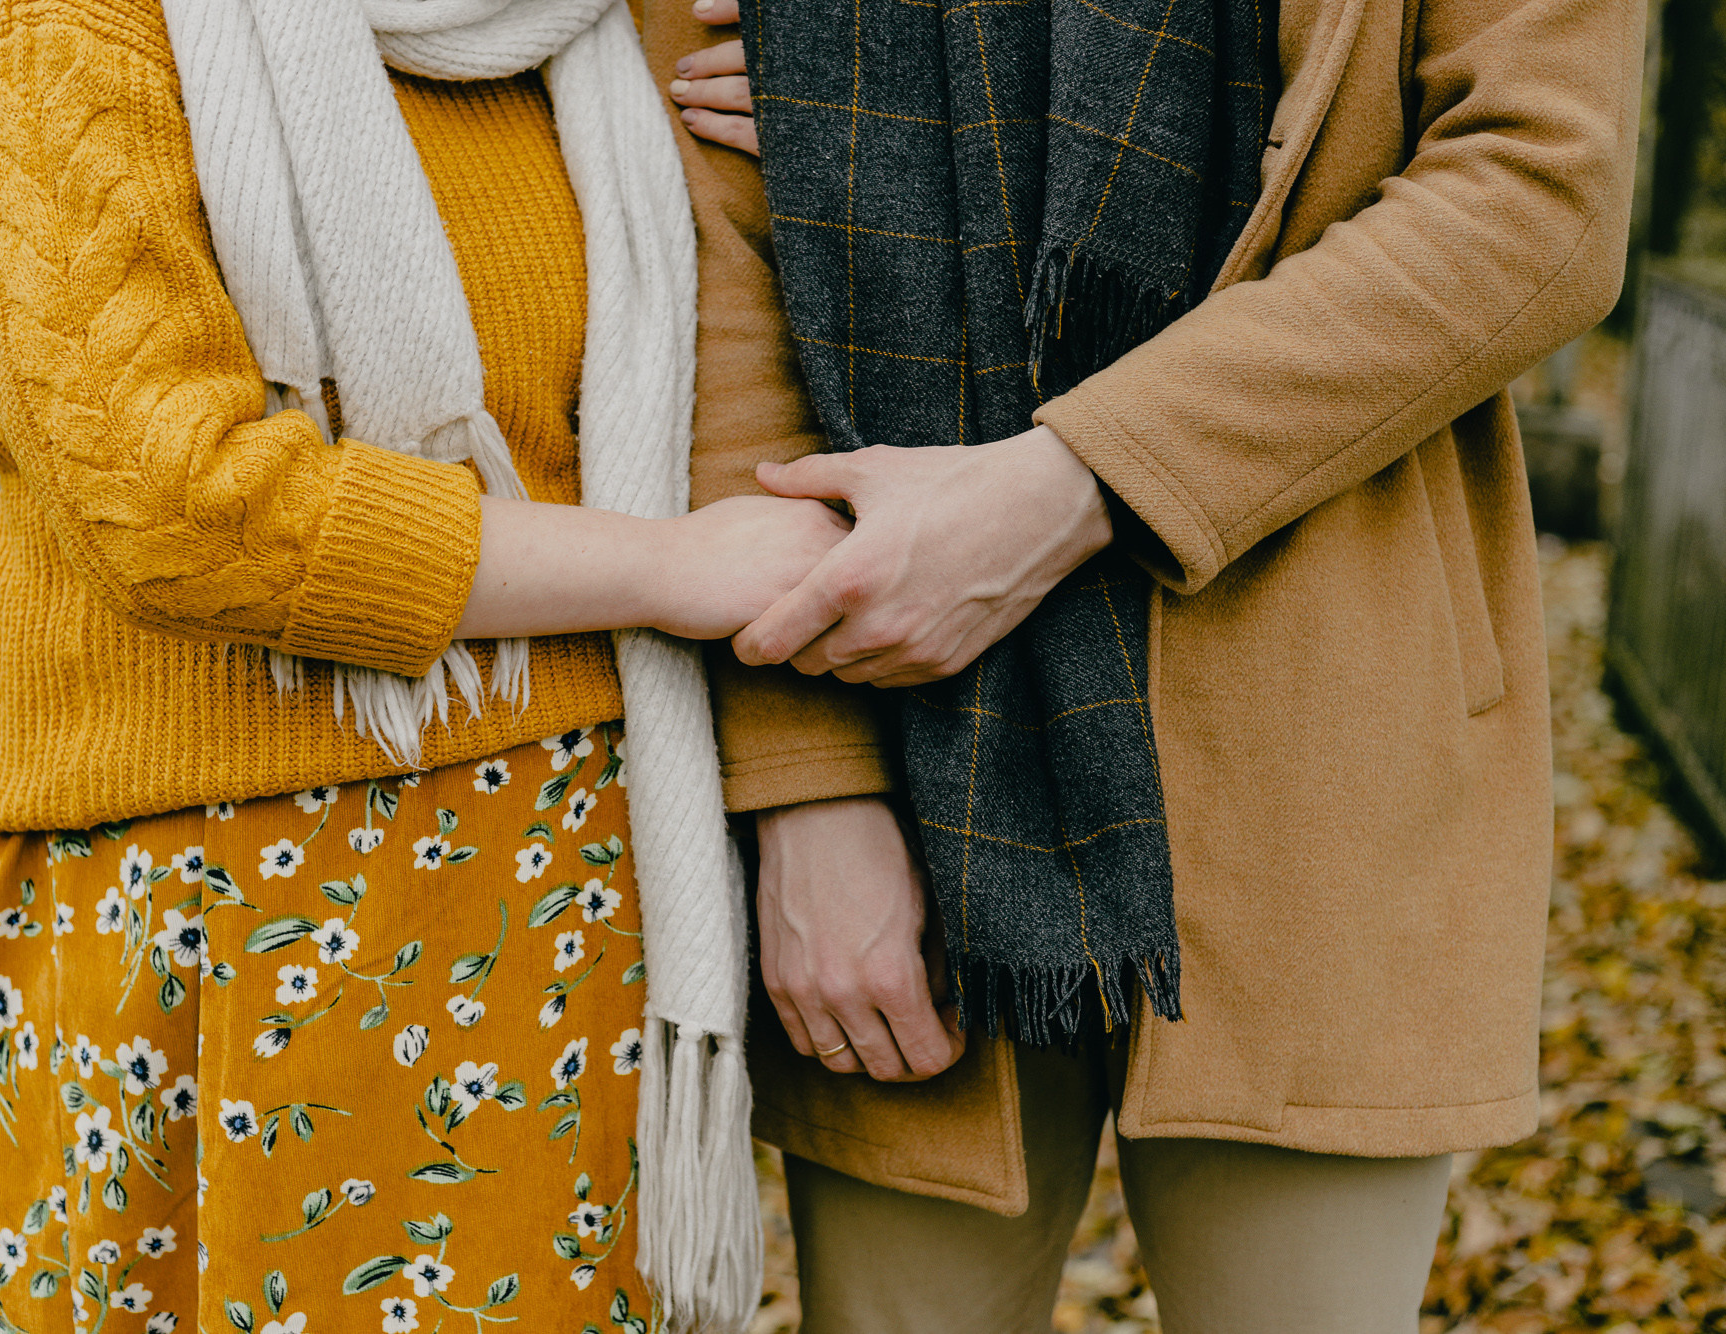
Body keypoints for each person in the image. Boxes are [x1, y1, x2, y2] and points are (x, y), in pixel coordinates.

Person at [651, 0, 1647, 1328]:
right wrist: (806, 788)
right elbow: (716, 252)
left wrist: (1078, 484)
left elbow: (1540, 189)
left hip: (1325, 737)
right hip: (900, 731)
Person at [0, 1, 836, 1329]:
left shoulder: (593, 28)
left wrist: (854, 117)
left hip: (564, 894)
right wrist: (663, 566)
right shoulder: (64, 30)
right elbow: (177, 507)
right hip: (219, 900)